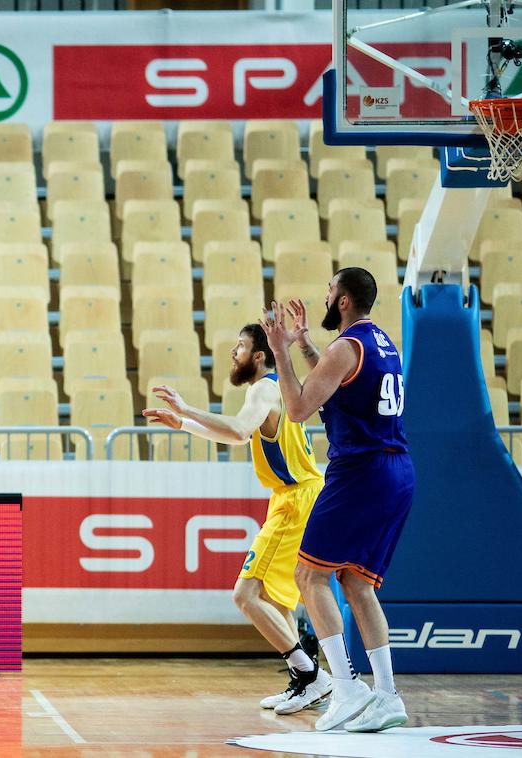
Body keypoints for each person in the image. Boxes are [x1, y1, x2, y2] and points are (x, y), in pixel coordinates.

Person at [143, 324, 330, 714]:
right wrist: (187, 426)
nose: (234, 352)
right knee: (276, 604)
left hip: (295, 499)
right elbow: (240, 436)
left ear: (258, 356)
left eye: (241, 346)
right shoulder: (273, 389)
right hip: (297, 496)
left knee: (245, 595)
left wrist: (186, 409)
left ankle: (312, 674)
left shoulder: (264, 388)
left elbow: (239, 428)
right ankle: (304, 680)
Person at [260, 268, 414, 733]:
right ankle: (387, 695)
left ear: (343, 301)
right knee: (356, 583)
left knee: (309, 575)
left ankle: (345, 689)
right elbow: (336, 381)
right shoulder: (379, 343)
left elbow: (298, 408)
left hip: (360, 471)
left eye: (329, 291)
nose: (325, 296)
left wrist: (280, 353)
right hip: (397, 472)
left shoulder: (345, 347)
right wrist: (306, 345)